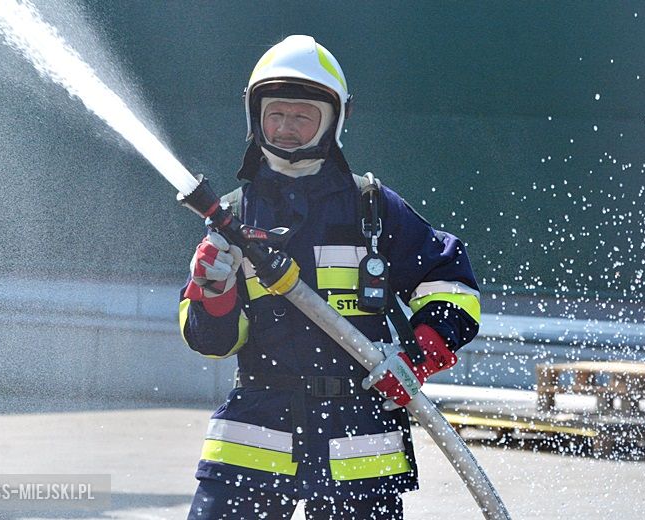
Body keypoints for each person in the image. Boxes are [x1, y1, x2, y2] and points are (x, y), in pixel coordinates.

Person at [180, 35, 480, 520]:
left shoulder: (373, 209)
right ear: (255, 116)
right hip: (253, 441)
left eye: (303, 116)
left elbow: (450, 282)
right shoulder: (233, 218)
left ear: (334, 120)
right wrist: (213, 291)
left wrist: (417, 357)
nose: (286, 128)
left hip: (359, 443)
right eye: (276, 114)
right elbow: (211, 342)